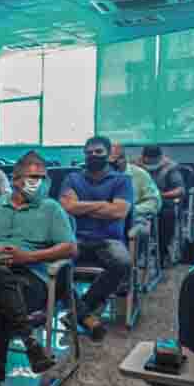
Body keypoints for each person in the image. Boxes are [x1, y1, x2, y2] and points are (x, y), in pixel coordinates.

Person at [0, 152, 77, 377]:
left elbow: (70, 248)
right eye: (34, 177)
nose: (41, 183)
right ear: (16, 180)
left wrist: (27, 257)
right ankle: (28, 341)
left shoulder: (51, 208)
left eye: (44, 178)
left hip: (30, 277)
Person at [59, 136, 134, 341]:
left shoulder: (122, 180)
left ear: (108, 155)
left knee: (123, 263)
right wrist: (103, 204)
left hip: (109, 239)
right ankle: (84, 316)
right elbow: (68, 207)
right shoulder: (72, 178)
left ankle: (80, 310)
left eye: (98, 152)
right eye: (89, 152)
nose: (93, 156)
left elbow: (119, 212)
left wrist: (82, 206)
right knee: (55, 265)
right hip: (75, 238)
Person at [138, 145, 184, 266]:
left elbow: (179, 190)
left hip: (162, 203)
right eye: (148, 160)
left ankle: (162, 253)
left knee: (166, 216)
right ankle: (135, 255)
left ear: (160, 157)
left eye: (154, 161)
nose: (151, 164)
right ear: (142, 157)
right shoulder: (134, 166)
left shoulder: (170, 167)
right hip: (140, 203)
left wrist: (160, 195)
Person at [110, 143, 161, 224]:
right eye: (112, 160)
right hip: (105, 217)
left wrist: (132, 210)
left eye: (120, 158)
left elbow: (154, 202)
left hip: (134, 217)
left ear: (126, 158)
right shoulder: (97, 175)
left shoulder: (140, 174)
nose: (118, 163)